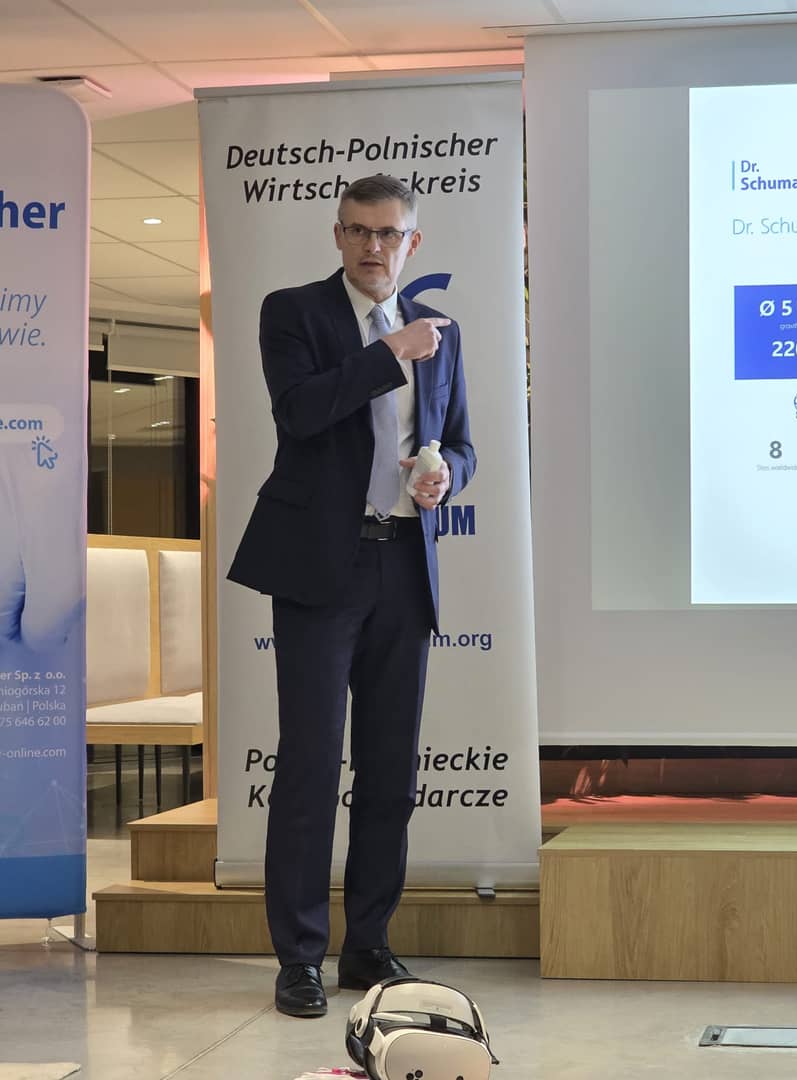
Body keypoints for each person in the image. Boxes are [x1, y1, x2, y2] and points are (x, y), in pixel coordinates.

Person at [228, 174, 476, 1018]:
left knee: (390, 769)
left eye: (388, 233)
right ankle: (299, 956)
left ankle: (367, 943)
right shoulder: (293, 312)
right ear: (338, 236)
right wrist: (388, 353)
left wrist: (446, 474)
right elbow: (299, 413)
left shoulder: (442, 334)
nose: (373, 246)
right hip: (319, 566)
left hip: (405, 561)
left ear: (413, 243)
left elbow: (462, 442)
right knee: (308, 764)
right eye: (358, 230)